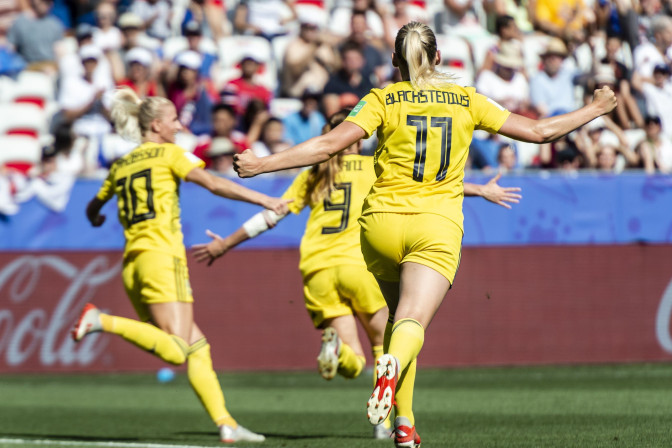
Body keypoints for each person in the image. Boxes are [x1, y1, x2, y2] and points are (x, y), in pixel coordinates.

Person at [233, 21, 617, 448]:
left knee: (399, 320)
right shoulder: (465, 99)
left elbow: (327, 147)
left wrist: (260, 165)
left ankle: (405, 425)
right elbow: (540, 132)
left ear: (394, 60)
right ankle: (390, 367)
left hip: (380, 223)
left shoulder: (381, 98)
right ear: (437, 59)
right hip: (435, 224)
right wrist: (595, 109)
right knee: (410, 324)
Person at [194, 108, 521, 440]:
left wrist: (226, 244)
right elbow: (424, 184)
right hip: (359, 266)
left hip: (317, 269)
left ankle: (338, 352)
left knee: (354, 357)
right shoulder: (372, 166)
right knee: (386, 341)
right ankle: (384, 424)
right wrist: (480, 190)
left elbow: (273, 214)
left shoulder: (315, 172)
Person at [72, 89, 289, 443]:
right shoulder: (170, 154)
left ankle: (226, 424)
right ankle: (101, 320)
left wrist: (97, 217)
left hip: (133, 265)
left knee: (198, 347)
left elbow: (92, 208)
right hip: (162, 259)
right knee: (177, 350)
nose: (179, 124)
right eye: (173, 119)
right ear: (157, 125)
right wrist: (264, 198)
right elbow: (212, 183)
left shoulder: (122, 164)